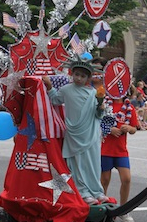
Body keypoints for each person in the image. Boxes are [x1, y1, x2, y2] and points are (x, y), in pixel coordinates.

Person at [43, 57, 108, 205]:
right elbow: (55, 100)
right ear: (72, 73)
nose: (79, 78)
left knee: (93, 164)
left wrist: (100, 107)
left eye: (83, 76)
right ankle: (83, 192)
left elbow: (97, 116)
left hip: (90, 134)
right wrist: (48, 86)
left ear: (88, 78)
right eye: (77, 74)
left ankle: (97, 191)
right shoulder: (66, 90)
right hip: (73, 134)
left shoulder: (94, 94)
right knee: (77, 165)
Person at [100, 95, 138, 222]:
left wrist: (129, 128)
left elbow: (134, 129)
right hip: (105, 149)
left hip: (121, 150)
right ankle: (101, 208)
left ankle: (123, 210)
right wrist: (110, 130)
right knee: (104, 180)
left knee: (126, 179)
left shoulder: (129, 107)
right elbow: (97, 122)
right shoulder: (104, 104)